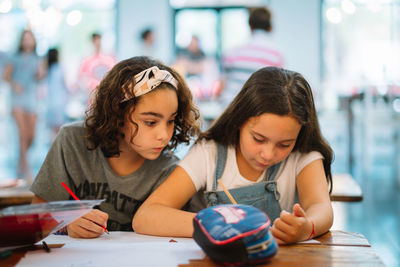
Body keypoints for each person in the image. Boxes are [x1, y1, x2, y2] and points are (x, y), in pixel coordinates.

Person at [133, 67, 334, 245]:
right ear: (239, 121)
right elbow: (146, 216)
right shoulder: (209, 153)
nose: (268, 154)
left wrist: (307, 228)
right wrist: (214, 225)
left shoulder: (303, 156)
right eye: (258, 139)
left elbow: (321, 207)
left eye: (284, 144)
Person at [30, 56, 200, 238]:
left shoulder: (170, 171)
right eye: (151, 122)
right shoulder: (73, 141)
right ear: (117, 114)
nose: (164, 135)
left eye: (171, 121)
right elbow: (35, 217)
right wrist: (65, 224)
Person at [3, 29, 46, 183]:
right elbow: (5, 76)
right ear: (21, 41)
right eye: (25, 38)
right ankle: (26, 170)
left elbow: (40, 78)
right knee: (22, 135)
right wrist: (14, 85)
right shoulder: (14, 58)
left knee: (31, 136)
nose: (27, 41)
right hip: (17, 100)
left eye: (30, 38)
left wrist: (41, 73)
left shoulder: (38, 59)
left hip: (32, 99)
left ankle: (20, 163)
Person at [219, 7, 285, 108]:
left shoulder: (231, 53)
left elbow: (222, 85)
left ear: (250, 26)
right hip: (258, 111)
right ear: (270, 28)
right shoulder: (275, 55)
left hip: (231, 109)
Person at [78, 32, 116, 104]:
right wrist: (89, 88)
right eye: (95, 40)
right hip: (93, 95)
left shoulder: (109, 58)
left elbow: (115, 73)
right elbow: (82, 77)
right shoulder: (87, 60)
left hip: (107, 94)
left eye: (99, 39)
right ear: (92, 42)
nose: (97, 42)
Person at [46, 48, 69, 137]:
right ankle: (57, 147)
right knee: (59, 128)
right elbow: (65, 84)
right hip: (59, 102)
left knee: (52, 130)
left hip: (48, 102)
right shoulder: (59, 68)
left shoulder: (46, 69)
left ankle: (53, 146)